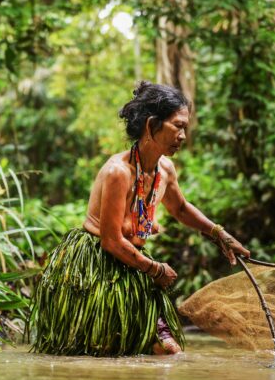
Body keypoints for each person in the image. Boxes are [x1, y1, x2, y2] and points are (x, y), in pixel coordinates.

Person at [31, 81, 250, 356]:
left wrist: (219, 234)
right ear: (151, 126)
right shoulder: (118, 172)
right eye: (177, 126)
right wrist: (156, 269)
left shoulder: (165, 169)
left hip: (134, 265)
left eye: (185, 127)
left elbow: (180, 209)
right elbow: (110, 241)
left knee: (167, 350)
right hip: (99, 267)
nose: (183, 135)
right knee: (107, 349)